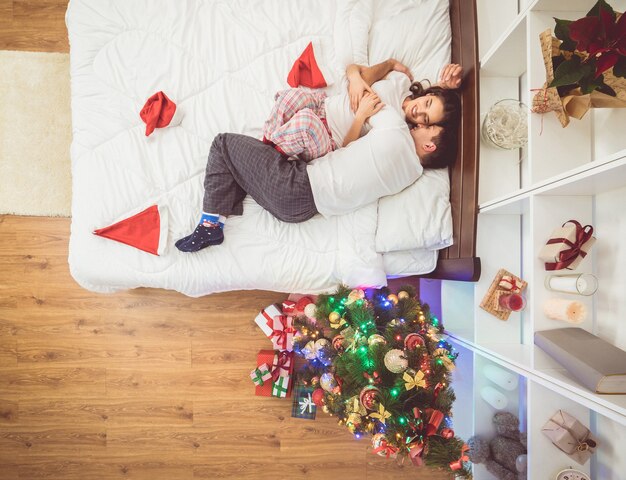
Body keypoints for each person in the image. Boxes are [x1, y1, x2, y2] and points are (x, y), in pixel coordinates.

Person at [262, 59, 462, 162]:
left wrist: (360, 117)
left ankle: (270, 154)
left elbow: (349, 150)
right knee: (292, 96)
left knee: (305, 122)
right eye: (426, 103)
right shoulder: (401, 82)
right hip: (323, 106)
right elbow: (357, 69)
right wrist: (357, 79)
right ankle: (268, 142)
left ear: (423, 125)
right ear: (427, 94)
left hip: (328, 139)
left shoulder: (396, 126)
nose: (418, 112)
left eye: (425, 119)